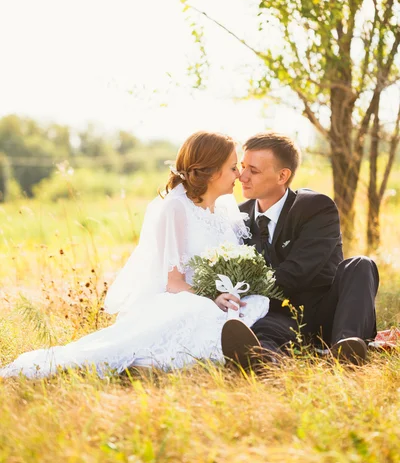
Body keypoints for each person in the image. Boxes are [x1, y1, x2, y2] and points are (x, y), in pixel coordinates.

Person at [0, 132, 270, 379]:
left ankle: (233, 353)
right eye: (233, 168)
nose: (239, 175)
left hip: (220, 296)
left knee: (256, 302)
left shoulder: (225, 208)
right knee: (199, 311)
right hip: (183, 297)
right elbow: (174, 283)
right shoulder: (176, 208)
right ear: (211, 172)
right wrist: (212, 296)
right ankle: (163, 363)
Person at [221, 132, 379, 366]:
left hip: (326, 311)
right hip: (278, 315)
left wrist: (246, 287)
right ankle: (262, 361)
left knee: (360, 265)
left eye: (253, 171)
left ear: (282, 175)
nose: (242, 176)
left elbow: (298, 271)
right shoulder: (238, 217)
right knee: (262, 331)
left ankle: (347, 348)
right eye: (242, 167)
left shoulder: (315, 207)